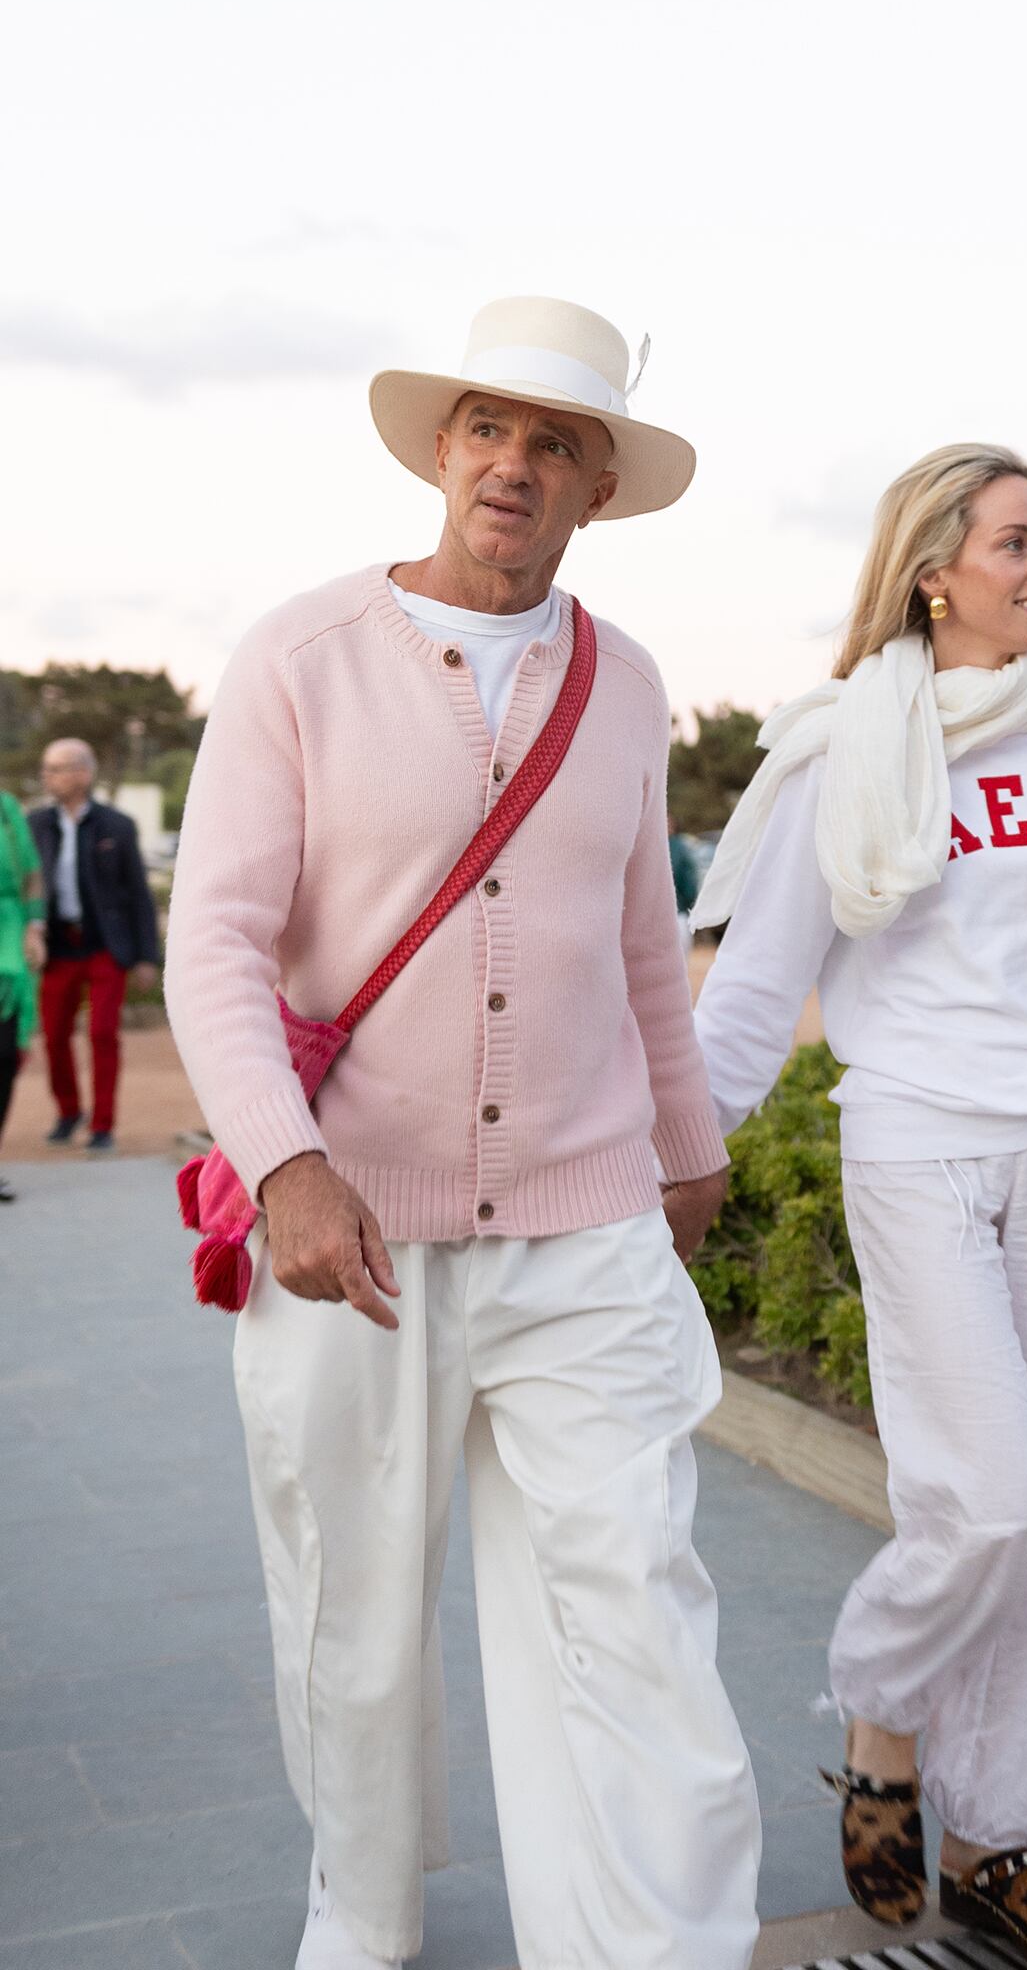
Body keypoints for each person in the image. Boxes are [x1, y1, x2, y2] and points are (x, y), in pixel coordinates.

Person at [164, 296, 761, 1970]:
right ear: (442, 451)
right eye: (490, 427)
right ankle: (360, 1914)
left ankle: (652, 1948)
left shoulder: (626, 685)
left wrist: (686, 1150)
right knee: (353, 1620)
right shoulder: (302, 656)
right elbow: (212, 936)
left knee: (633, 1604)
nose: (515, 462)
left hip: (582, 1228)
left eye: (555, 440)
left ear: (596, 488)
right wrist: (284, 1163)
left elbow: (644, 939)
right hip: (346, 1236)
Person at [690, 444, 1027, 1966]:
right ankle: (884, 1707)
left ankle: (998, 1835)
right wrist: (676, 1171)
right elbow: (757, 985)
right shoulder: (846, 744)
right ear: (934, 566)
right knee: (986, 1497)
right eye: (1016, 541)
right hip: (912, 1140)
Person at [28, 740, 160, 1152]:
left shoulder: (117, 826)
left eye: (58, 768)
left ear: (84, 773)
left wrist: (145, 956)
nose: (48, 776)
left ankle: (103, 1124)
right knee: (53, 1036)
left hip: (106, 946)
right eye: (46, 768)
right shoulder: (36, 824)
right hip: (58, 948)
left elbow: (139, 893)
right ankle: (68, 1112)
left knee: (103, 1033)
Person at [0, 789, 46, 1201]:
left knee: (4, 1060)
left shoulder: (9, 810)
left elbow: (31, 875)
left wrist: (35, 927)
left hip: (9, 944)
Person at [668, 813, 699, 953]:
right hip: (677, 912)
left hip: (676, 910)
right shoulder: (681, 848)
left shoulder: (678, 848)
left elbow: (688, 883)